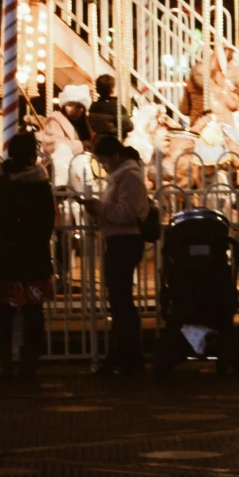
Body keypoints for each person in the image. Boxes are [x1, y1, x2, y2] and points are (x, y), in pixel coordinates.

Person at [0, 130, 57, 377]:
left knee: (3, 313)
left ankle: (4, 362)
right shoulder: (39, 186)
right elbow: (47, 221)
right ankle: (29, 362)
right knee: (32, 313)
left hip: (4, 257)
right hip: (33, 256)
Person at [90, 134, 149, 376]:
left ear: (115, 156)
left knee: (122, 301)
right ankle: (123, 355)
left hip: (125, 241)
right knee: (119, 301)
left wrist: (99, 207)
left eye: (104, 161)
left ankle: (128, 356)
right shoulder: (122, 176)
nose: (103, 167)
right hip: (117, 240)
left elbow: (126, 212)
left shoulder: (129, 177)